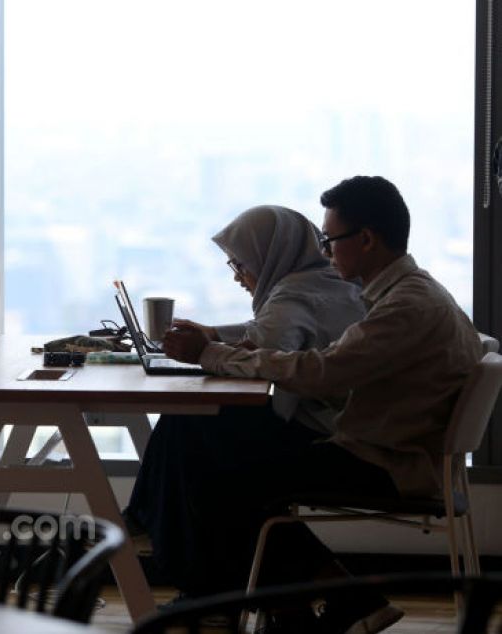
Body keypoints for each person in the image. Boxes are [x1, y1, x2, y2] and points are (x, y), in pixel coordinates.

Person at [159, 176, 481, 633]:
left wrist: (210, 353)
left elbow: (319, 373)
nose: (326, 252)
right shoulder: (410, 292)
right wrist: (220, 346)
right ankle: (292, 609)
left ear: (366, 239)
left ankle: (339, 599)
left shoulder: (404, 307)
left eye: (331, 240)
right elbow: (326, 368)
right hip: (392, 446)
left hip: (386, 461)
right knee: (208, 442)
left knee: (220, 473)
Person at [124, 206, 365, 606]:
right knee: (194, 436)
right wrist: (215, 335)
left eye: (241, 263)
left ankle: (152, 526)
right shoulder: (329, 281)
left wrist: (208, 350)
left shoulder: (294, 294)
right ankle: (168, 544)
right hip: (339, 421)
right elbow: (266, 333)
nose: (237, 276)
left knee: (194, 441)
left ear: (270, 256)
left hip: (323, 434)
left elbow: (268, 346)